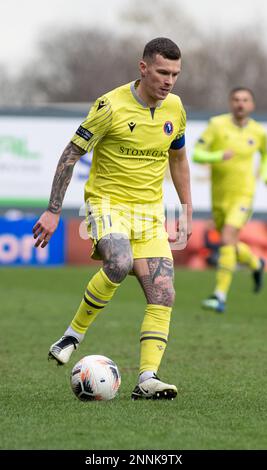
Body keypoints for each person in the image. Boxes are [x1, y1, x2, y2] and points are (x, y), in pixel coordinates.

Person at [33, 37, 193, 400]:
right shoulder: (110, 106)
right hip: (107, 204)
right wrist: (53, 210)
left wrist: (185, 208)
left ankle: (148, 378)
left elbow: (179, 158)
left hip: (150, 212)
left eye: (175, 74)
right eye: (162, 72)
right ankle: (73, 334)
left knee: (164, 292)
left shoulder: (176, 108)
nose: (169, 81)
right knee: (119, 262)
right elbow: (71, 154)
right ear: (143, 68)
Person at [193, 87, 267, 313]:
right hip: (219, 198)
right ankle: (256, 263)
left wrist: (264, 175)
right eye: (236, 99)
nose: (240, 104)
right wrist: (217, 156)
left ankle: (219, 296)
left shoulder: (258, 132)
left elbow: (265, 155)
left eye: (245, 100)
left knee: (226, 238)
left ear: (252, 105)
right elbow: (197, 154)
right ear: (230, 103)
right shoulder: (217, 125)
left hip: (244, 195)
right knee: (229, 242)